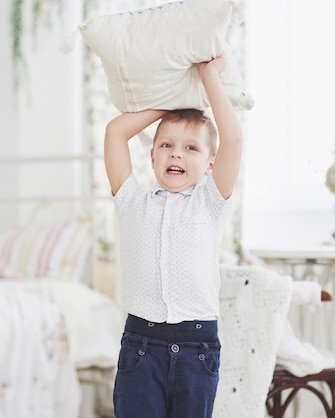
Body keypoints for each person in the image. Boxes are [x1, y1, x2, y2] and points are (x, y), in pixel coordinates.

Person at [103, 55, 243, 418]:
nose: (176, 152)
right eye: (166, 145)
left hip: (197, 347)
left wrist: (206, 78)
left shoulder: (211, 203)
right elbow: (115, 132)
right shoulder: (133, 202)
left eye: (191, 148)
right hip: (141, 347)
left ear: (210, 164)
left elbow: (234, 138)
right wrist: (174, 98)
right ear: (151, 157)